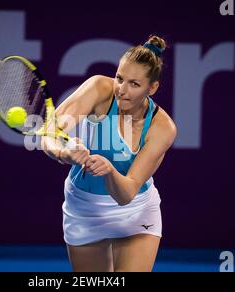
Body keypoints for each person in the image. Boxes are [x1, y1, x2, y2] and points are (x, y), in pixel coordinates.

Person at [41, 35, 177, 272]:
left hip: (136, 213)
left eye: (134, 84)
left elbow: (126, 194)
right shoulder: (98, 89)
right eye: (119, 78)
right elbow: (49, 133)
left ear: (152, 88)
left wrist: (109, 170)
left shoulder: (162, 128)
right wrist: (65, 153)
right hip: (84, 209)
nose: (122, 91)